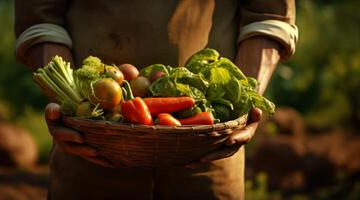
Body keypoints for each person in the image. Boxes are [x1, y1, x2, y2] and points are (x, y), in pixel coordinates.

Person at [15, 0, 298, 199]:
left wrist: (243, 107)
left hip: (210, 150)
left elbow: (269, 16)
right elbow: (40, 18)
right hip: (90, 151)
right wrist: (70, 106)